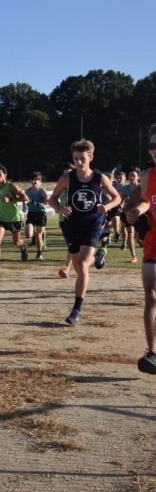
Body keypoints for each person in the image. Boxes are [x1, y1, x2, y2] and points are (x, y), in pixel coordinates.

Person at [47, 139, 121, 326]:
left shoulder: (99, 178)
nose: (79, 162)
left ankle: (76, 309)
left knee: (82, 263)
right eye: (75, 158)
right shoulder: (67, 178)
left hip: (93, 224)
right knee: (80, 266)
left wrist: (107, 206)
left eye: (82, 158)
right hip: (73, 225)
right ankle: (99, 257)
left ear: (91, 157)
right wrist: (61, 209)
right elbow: (53, 199)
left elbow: (117, 197)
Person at [122, 125, 156, 374]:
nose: (155, 150)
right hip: (154, 241)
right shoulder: (147, 175)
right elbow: (146, 199)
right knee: (151, 295)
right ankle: (153, 353)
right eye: (152, 146)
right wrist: (138, 210)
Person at [0, 164, 29, 277]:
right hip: (1, 219)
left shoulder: (11, 186)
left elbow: (25, 198)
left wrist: (10, 199)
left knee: (16, 242)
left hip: (14, 219)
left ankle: (23, 247)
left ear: (5, 174)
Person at [24, 172, 50, 260]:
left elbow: (50, 202)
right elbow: (24, 199)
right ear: (30, 181)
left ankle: (39, 254)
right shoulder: (27, 191)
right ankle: (37, 239)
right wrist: (24, 206)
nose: (35, 181)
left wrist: (44, 205)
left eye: (37, 180)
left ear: (40, 182)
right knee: (28, 234)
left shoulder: (43, 191)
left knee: (38, 235)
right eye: (33, 180)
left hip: (41, 214)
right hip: (31, 214)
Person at [122, 167, 141, 263]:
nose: (131, 177)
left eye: (134, 175)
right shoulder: (124, 189)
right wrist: (120, 207)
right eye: (130, 175)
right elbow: (120, 200)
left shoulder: (142, 188)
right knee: (130, 232)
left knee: (138, 237)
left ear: (138, 177)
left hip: (141, 214)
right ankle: (134, 256)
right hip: (128, 214)